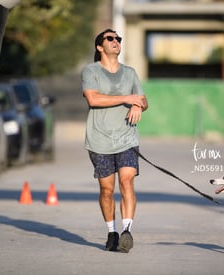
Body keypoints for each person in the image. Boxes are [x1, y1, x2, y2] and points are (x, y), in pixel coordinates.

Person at [81, 29, 148, 253]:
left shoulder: (130, 73)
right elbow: (93, 98)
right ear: (100, 46)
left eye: (118, 39)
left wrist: (138, 104)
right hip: (99, 139)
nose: (116, 41)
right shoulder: (90, 71)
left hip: (127, 137)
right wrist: (127, 98)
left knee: (127, 181)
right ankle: (112, 232)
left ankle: (127, 231)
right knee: (106, 190)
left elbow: (143, 99)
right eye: (110, 38)